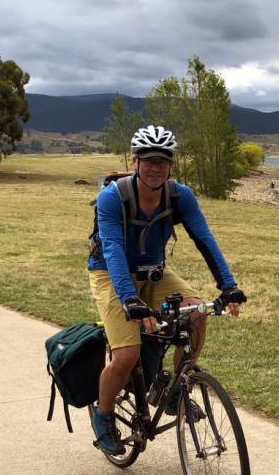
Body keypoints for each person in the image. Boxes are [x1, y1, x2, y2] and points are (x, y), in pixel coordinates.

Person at [87, 125, 246, 456]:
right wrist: (129, 298)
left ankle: (171, 388)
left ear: (171, 164)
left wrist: (228, 285)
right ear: (135, 162)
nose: (156, 167)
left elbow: (204, 239)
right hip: (110, 274)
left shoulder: (179, 196)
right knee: (127, 354)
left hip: (156, 273)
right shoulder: (112, 197)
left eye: (163, 160)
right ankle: (103, 417)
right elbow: (113, 248)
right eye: (149, 160)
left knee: (198, 312)